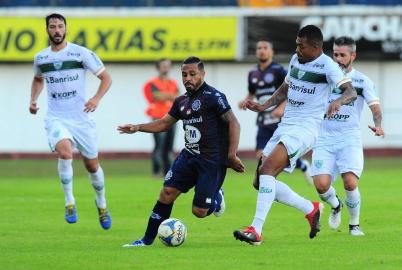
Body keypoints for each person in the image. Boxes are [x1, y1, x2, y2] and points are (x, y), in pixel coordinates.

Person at [234, 25, 357, 245]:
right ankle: (310, 209)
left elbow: (351, 92)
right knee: (260, 180)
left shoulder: (328, 66)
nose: (297, 49)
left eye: (301, 45)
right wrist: (264, 106)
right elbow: (285, 88)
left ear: (316, 47)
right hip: (286, 125)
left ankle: (256, 230)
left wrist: (338, 101)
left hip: (306, 128)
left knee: (268, 170)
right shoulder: (295, 60)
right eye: (296, 44)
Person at [118, 56, 245, 247]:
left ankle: (216, 197)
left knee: (199, 212)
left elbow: (234, 122)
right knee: (166, 193)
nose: (188, 78)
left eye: (192, 74)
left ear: (203, 74)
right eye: (184, 74)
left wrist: (231, 155)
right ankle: (145, 240)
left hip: (212, 160)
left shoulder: (214, 97)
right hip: (189, 156)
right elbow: (163, 123)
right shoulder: (181, 101)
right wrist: (137, 127)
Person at [29, 13, 112, 229]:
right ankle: (69, 201)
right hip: (56, 118)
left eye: (60, 26)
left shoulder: (80, 53)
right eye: (52, 27)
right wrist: (33, 100)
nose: (57, 30)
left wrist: (96, 98)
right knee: (65, 153)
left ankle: (101, 204)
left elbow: (106, 78)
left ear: (66, 29)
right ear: (47, 30)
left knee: (92, 166)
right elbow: (38, 79)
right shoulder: (41, 58)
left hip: (81, 119)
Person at [310, 36, 385, 236]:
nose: (338, 59)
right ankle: (336, 206)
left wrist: (378, 126)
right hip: (323, 138)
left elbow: (376, 109)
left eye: (343, 55)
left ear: (353, 56)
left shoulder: (362, 81)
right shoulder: (324, 77)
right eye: (335, 54)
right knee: (321, 186)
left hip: (349, 138)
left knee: (350, 182)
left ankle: (354, 225)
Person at [238, 39, 313, 188]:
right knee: (260, 156)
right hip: (263, 122)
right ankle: (272, 183)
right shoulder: (252, 73)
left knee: (280, 155)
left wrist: (281, 108)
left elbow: (290, 91)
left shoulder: (279, 70)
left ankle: (301, 166)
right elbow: (252, 92)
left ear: (271, 52)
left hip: (279, 122)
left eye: (265, 48)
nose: (262, 50)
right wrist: (245, 101)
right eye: (259, 48)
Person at [143, 59, 179, 177]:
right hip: (157, 118)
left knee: (169, 147)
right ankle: (156, 171)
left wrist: (165, 95)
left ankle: (167, 172)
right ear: (158, 68)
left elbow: (179, 97)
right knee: (159, 146)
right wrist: (170, 95)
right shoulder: (152, 83)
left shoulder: (174, 83)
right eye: (163, 66)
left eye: (168, 66)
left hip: (172, 117)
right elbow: (156, 96)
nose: (166, 68)